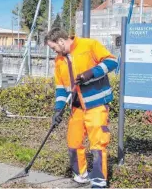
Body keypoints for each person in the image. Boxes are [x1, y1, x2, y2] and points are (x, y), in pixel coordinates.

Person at [44, 28, 118, 188]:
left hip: (96, 104)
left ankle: (99, 181)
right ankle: (81, 175)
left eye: (53, 47)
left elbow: (112, 61)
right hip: (76, 106)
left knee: (98, 143)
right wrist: (58, 109)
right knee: (73, 141)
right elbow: (61, 88)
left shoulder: (89, 45)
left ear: (61, 42)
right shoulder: (59, 60)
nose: (54, 51)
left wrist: (91, 73)